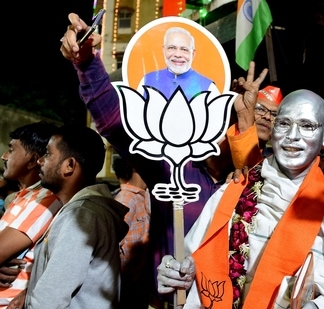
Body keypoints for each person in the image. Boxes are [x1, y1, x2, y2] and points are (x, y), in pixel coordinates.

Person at [60, 13, 270, 308]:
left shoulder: (247, 182)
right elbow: (112, 121)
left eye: (232, 125)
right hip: (172, 302)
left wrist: (247, 120)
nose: (220, 131)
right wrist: (86, 63)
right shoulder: (168, 165)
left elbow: (253, 178)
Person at [157, 89, 324, 309]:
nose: (293, 136)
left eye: (307, 126)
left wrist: (318, 307)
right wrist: (176, 272)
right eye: (283, 123)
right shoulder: (234, 189)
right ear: (272, 129)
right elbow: (191, 259)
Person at [9, 125, 129, 309]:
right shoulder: (79, 210)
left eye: (48, 154)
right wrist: (28, 294)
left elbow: (49, 301)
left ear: (70, 165)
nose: (40, 161)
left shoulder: (81, 216)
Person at [0, 122, 63, 309]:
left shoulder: (44, 199)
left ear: (33, 160)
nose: (4, 156)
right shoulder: (23, 197)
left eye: (11, 150)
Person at [111, 157, 151, 309]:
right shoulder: (126, 199)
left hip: (140, 277)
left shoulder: (143, 195)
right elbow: (114, 242)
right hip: (128, 279)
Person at [138, 26, 218, 100]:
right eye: (172, 48)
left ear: (193, 54)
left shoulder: (209, 87)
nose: (178, 55)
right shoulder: (146, 81)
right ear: (164, 50)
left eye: (184, 49)